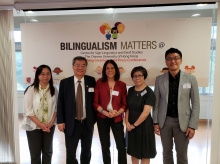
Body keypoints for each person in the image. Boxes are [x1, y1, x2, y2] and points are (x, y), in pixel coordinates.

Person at [153, 48, 200, 164]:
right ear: (165, 62)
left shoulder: (190, 79)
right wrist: (155, 122)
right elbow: (156, 102)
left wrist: (192, 125)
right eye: (169, 59)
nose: (172, 61)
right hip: (165, 121)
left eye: (175, 58)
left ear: (181, 60)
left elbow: (196, 103)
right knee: (166, 153)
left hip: (183, 122)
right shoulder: (159, 79)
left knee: (182, 154)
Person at [57, 56, 96, 164]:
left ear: (86, 68)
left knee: (86, 151)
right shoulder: (65, 83)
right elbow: (60, 103)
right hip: (71, 123)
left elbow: (96, 100)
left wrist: (93, 119)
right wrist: (60, 121)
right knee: (70, 151)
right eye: (77, 65)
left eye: (83, 65)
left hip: (87, 123)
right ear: (73, 67)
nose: (80, 68)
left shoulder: (91, 81)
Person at [21, 64, 58, 164]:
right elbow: (28, 110)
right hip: (34, 126)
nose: (45, 76)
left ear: (50, 75)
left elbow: (56, 109)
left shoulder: (54, 90)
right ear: (37, 75)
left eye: (48, 74)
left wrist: (50, 123)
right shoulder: (31, 89)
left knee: (48, 152)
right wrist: (40, 124)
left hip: (49, 126)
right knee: (35, 154)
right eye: (42, 74)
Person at [93, 59, 127, 164]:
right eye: (107, 68)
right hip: (102, 117)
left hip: (117, 118)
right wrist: (106, 113)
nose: (110, 70)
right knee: (105, 145)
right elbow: (95, 102)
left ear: (116, 70)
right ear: (104, 70)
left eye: (112, 68)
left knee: (121, 146)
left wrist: (118, 112)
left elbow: (124, 104)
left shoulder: (122, 85)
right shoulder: (99, 82)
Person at [126, 66, 157, 164]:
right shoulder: (130, 90)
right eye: (134, 76)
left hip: (144, 126)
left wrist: (134, 125)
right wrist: (126, 122)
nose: (137, 78)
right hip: (130, 126)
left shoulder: (149, 92)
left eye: (139, 75)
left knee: (145, 152)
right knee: (133, 151)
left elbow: (146, 112)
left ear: (144, 77)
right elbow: (127, 108)